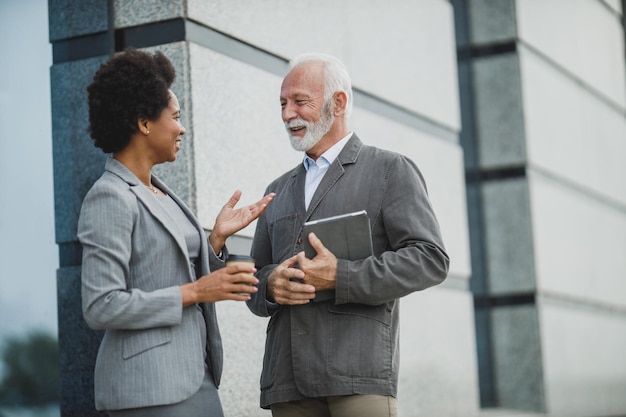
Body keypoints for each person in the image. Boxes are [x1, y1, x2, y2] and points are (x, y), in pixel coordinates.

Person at [247, 52, 450, 417]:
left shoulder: (389, 170)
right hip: (287, 382)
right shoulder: (276, 190)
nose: (287, 114)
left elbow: (429, 259)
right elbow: (255, 278)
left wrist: (340, 276)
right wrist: (270, 286)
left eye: (299, 102)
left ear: (337, 103)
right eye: (282, 103)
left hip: (357, 377)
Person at [78, 48, 274, 417]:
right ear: (144, 123)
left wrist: (214, 240)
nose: (182, 128)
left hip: (194, 376)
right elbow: (100, 306)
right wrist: (195, 291)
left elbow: (171, 269)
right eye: (176, 117)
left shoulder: (160, 191)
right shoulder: (109, 196)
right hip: (147, 391)